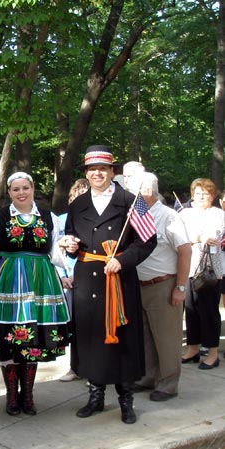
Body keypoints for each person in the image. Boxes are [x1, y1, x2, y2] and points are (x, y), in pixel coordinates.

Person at [0, 172, 71, 416]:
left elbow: (55, 252)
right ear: (9, 192)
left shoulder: (48, 216)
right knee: (7, 337)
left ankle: (29, 396)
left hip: (40, 282)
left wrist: (64, 258)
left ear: (33, 189)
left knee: (32, 338)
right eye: (15, 189)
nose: (21, 193)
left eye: (25, 188)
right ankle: (12, 396)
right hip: (6, 282)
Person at [64, 145, 157, 424]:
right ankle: (95, 396)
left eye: (103, 169)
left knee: (123, 342)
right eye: (92, 170)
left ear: (112, 172)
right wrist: (69, 245)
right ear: (87, 173)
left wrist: (124, 260)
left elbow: (148, 240)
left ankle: (125, 401)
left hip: (118, 280)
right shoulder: (77, 205)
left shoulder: (130, 201)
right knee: (91, 340)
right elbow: (72, 236)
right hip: (86, 282)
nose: (97, 174)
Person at [127, 172, 191, 401]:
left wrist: (180, 288)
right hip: (138, 285)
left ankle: (168, 384)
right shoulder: (134, 216)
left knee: (166, 339)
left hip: (163, 285)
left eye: (130, 190)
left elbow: (185, 250)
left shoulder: (168, 216)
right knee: (145, 338)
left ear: (145, 192)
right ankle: (147, 378)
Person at [178, 178, 225, 369]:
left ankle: (212, 353)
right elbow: (179, 235)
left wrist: (195, 236)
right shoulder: (185, 212)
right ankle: (193, 348)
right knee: (190, 310)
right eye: (197, 193)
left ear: (212, 196)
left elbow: (216, 235)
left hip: (210, 270)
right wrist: (198, 236)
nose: (201, 197)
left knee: (209, 311)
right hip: (188, 268)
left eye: (205, 193)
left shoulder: (219, 214)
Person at [57, 179, 89, 382]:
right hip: (66, 280)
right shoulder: (62, 220)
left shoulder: (94, 221)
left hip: (88, 278)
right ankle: (75, 367)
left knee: (90, 326)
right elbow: (54, 249)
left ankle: (92, 369)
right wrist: (62, 277)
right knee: (73, 327)